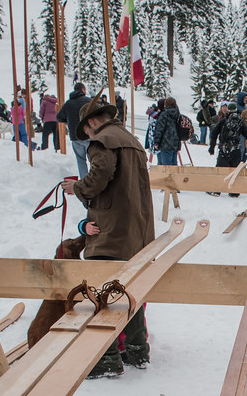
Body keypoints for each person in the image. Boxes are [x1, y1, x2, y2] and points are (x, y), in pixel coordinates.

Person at [61, 101, 154, 378]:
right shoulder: (131, 140)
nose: (87, 137)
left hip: (112, 233)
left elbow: (99, 176)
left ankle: (106, 359)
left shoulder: (102, 141)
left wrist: (76, 187)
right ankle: (137, 352)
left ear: (90, 123)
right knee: (131, 293)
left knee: (102, 295)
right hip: (138, 232)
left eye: (86, 132)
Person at [208, 101, 247, 196]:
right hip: (236, 150)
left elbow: (214, 133)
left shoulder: (223, 121)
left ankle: (217, 190)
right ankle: (234, 191)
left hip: (224, 149)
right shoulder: (240, 122)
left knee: (220, 169)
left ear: (228, 111)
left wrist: (212, 147)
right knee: (236, 170)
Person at [56, 83, 92, 178]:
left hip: (75, 136)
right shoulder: (89, 101)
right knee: (93, 160)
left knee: (81, 161)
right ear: (83, 90)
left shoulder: (68, 103)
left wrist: (68, 121)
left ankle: (84, 183)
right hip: (89, 135)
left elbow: (59, 117)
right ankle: (94, 182)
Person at [153, 97, 181, 166]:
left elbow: (160, 129)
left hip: (166, 143)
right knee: (174, 165)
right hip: (175, 142)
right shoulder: (178, 114)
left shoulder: (164, 114)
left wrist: (156, 142)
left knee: (166, 166)